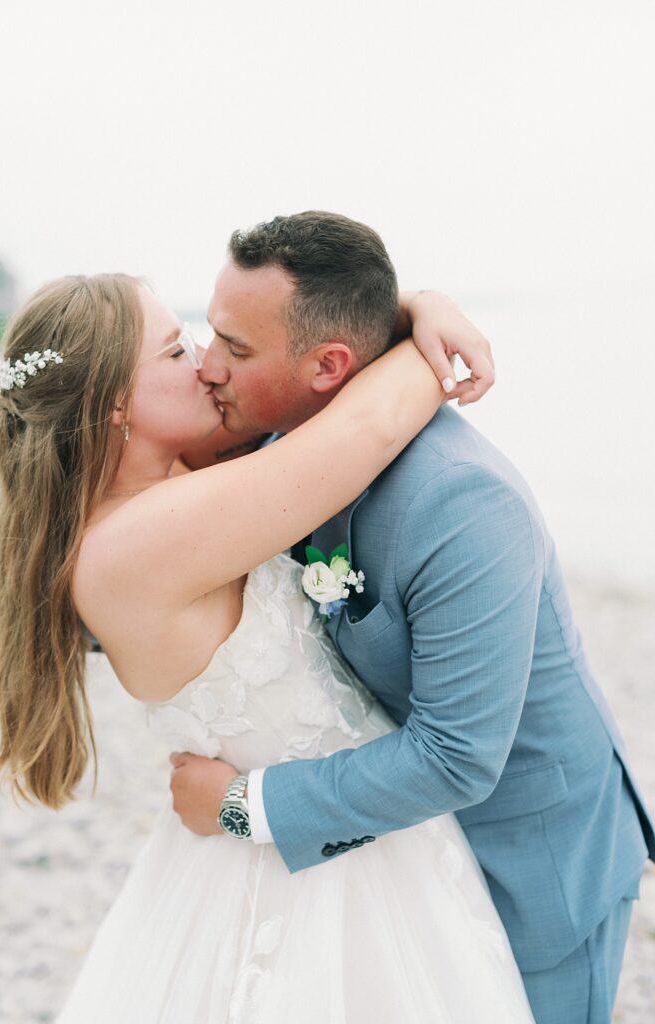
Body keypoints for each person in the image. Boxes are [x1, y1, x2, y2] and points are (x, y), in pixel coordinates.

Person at [0, 269, 537, 1022]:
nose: (206, 363)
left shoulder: (163, 486)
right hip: (308, 877)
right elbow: (366, 429)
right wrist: (436, 329)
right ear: (114, 403)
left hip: (335, 832)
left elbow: (314, 371)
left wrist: (412, 303)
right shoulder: (138, 543)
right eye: (175, 351)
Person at [169, 211, 655, 1024]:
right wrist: (418, 304)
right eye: (210, 333)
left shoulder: (461, 502)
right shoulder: (281, 443)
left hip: (531, 858)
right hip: (403, 860)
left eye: (237, 348)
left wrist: (243, 806)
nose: (207, 365)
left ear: (329, 366)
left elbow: (458, 756)